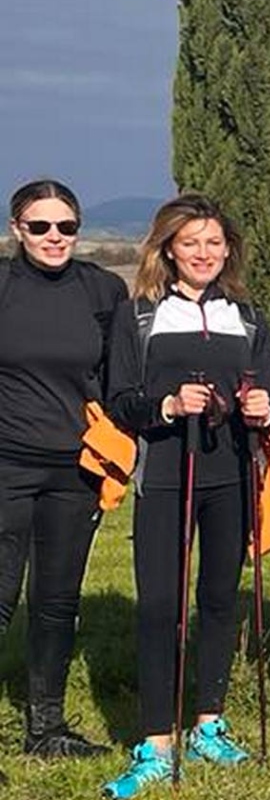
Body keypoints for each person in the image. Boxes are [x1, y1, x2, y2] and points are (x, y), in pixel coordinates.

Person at [103, 195, 270, 797]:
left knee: (219, 600)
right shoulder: (141, 317)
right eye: (190, 243)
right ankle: (156, 740)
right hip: (165, 478)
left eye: (213, 242)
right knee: (159, 606)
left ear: (227, 248)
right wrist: (168, 406)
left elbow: (266, 392)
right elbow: (120, 400)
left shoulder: (248, 318)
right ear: (168, 249)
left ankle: (208, 721)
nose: (203, 253)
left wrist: (264, 408)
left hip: (230, 476)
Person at [0, 179, 127, 759]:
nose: (55, 237)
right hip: (7, 466)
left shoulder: (102, 290)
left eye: (66, 227)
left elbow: (120, 380)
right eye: (40, 227)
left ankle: (45, 730)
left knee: (57, 601)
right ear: (16, 230)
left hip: (76, 470)